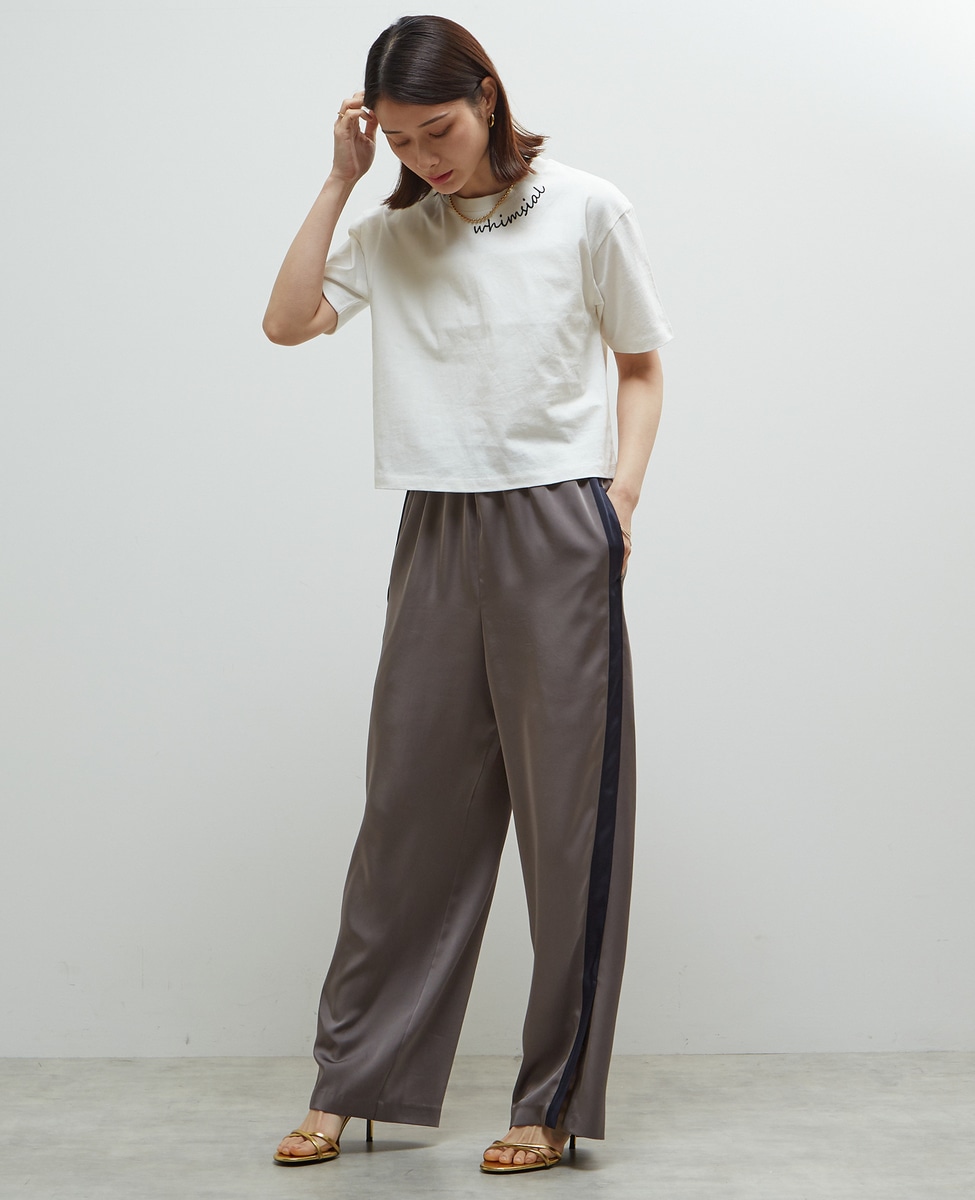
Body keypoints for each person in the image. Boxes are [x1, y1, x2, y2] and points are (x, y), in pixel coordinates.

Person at [262, 14, 673, 1175]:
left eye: (435, 130)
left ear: (487, 96)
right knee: (409, 816)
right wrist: (341, 181)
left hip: (557, 521)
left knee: (570, 824)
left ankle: (552, 1103)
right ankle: (354, 1081)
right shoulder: (393, 233)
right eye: (398, 139)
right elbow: (286, 322)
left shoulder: (588, 208)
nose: (423, 156)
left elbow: (642, 366)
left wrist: (620, 501)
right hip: (437, 525)